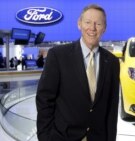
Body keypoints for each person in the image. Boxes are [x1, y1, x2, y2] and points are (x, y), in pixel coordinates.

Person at [36, 4, 120, 141]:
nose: (92, 28)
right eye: (87, 22)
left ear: (104, 28)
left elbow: (112, 107)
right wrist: (45, 137)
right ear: (79, 24)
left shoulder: (112, 62)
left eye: (98, 23)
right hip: (62, 137)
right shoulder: (58, 55)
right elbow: (44, 99)